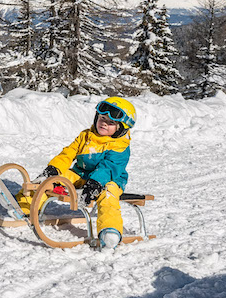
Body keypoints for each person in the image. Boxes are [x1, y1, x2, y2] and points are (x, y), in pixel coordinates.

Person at [15, 97, 137, 249]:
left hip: (108, 180)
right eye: (102, 118)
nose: (104, 123)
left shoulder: (120, 146)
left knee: (108, 196)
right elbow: (68, 153)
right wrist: (55, 168)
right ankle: (24, 205)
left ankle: (109, 230)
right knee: (52, 180)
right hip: (82, 174)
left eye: (111, 122)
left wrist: (96, 182)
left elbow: (109, 167)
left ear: (121, 128)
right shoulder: (85, 136)